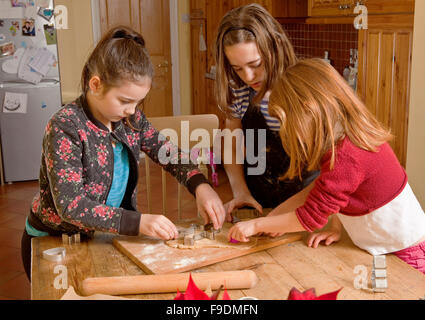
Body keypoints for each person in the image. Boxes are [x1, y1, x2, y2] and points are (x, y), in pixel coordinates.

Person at [21, 26, 226, 281]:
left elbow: (168, 153)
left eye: (138, 102)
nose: (132, 110)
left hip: (104, 236)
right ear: (95, 84)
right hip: (55, 242)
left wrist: (200, 185)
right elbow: (71, 205)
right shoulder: (65, 125)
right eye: (125, 101)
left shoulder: (130, 120)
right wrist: (137, 222)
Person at [228, 58, 425, 273]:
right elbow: (326, 190)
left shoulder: (347, 154)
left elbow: (310, 217)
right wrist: (280, 217)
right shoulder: (343, 140)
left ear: (309, 111)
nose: (287, 131)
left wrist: (256, 225)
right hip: (384, 246)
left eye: (288, 122)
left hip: (407, 251)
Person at [214, 3, 319, 218]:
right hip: (259, 199)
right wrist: (241, 192)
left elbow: (330, 166)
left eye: (256, 64)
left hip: (307, 202)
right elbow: (232, 144)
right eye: (237, 68)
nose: (248, 77)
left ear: (276, 46)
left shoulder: (306, 87)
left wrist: (281, 217)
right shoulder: (240, 90)